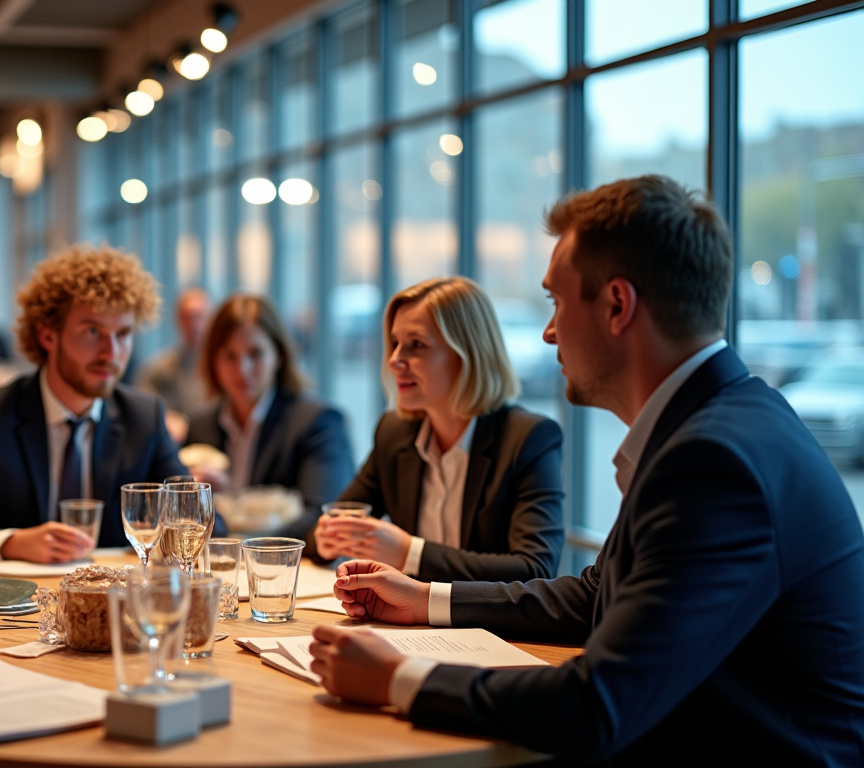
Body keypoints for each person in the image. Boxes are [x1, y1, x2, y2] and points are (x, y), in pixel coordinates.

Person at [309, 176, 864, 765]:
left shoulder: (713, 460)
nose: (547, 332)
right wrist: (423, 599)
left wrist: (400, 679)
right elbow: (593, 597)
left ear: (618, 306)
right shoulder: (719, 421)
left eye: (555, 301)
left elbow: (597, 704)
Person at [0, 245, 190, 566]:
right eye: (92, 331)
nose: (111, 352)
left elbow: (199, 523)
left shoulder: (144, 417)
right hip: (15, 606)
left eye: (123, 334)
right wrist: (11, 542)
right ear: (47, 336)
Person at [309, 277, 564, 583]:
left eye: (416, 345)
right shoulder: (395, 433)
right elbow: (334, 523)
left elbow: (534, 570)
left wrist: (410, 554)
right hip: (410, 627)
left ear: (467, 354)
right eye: (395, 343)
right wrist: (326, 540)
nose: (394, 360)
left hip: (491, 630)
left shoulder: (528, 438)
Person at [184, 294, 353, 535]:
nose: (242, 369)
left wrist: (244, 546)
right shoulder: (199, 425)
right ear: (213, 360)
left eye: (255, 354)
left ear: (280, 356)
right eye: (229, 356)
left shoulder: (318, 422)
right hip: (216, 568)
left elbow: (324, 515)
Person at [136, 286, 213, 419]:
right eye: (188, 317)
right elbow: (142, 411)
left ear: (211, 319)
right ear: (177, 319)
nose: (194, 325)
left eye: (199, 317)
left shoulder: (225, 367)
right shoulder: (158, 370)